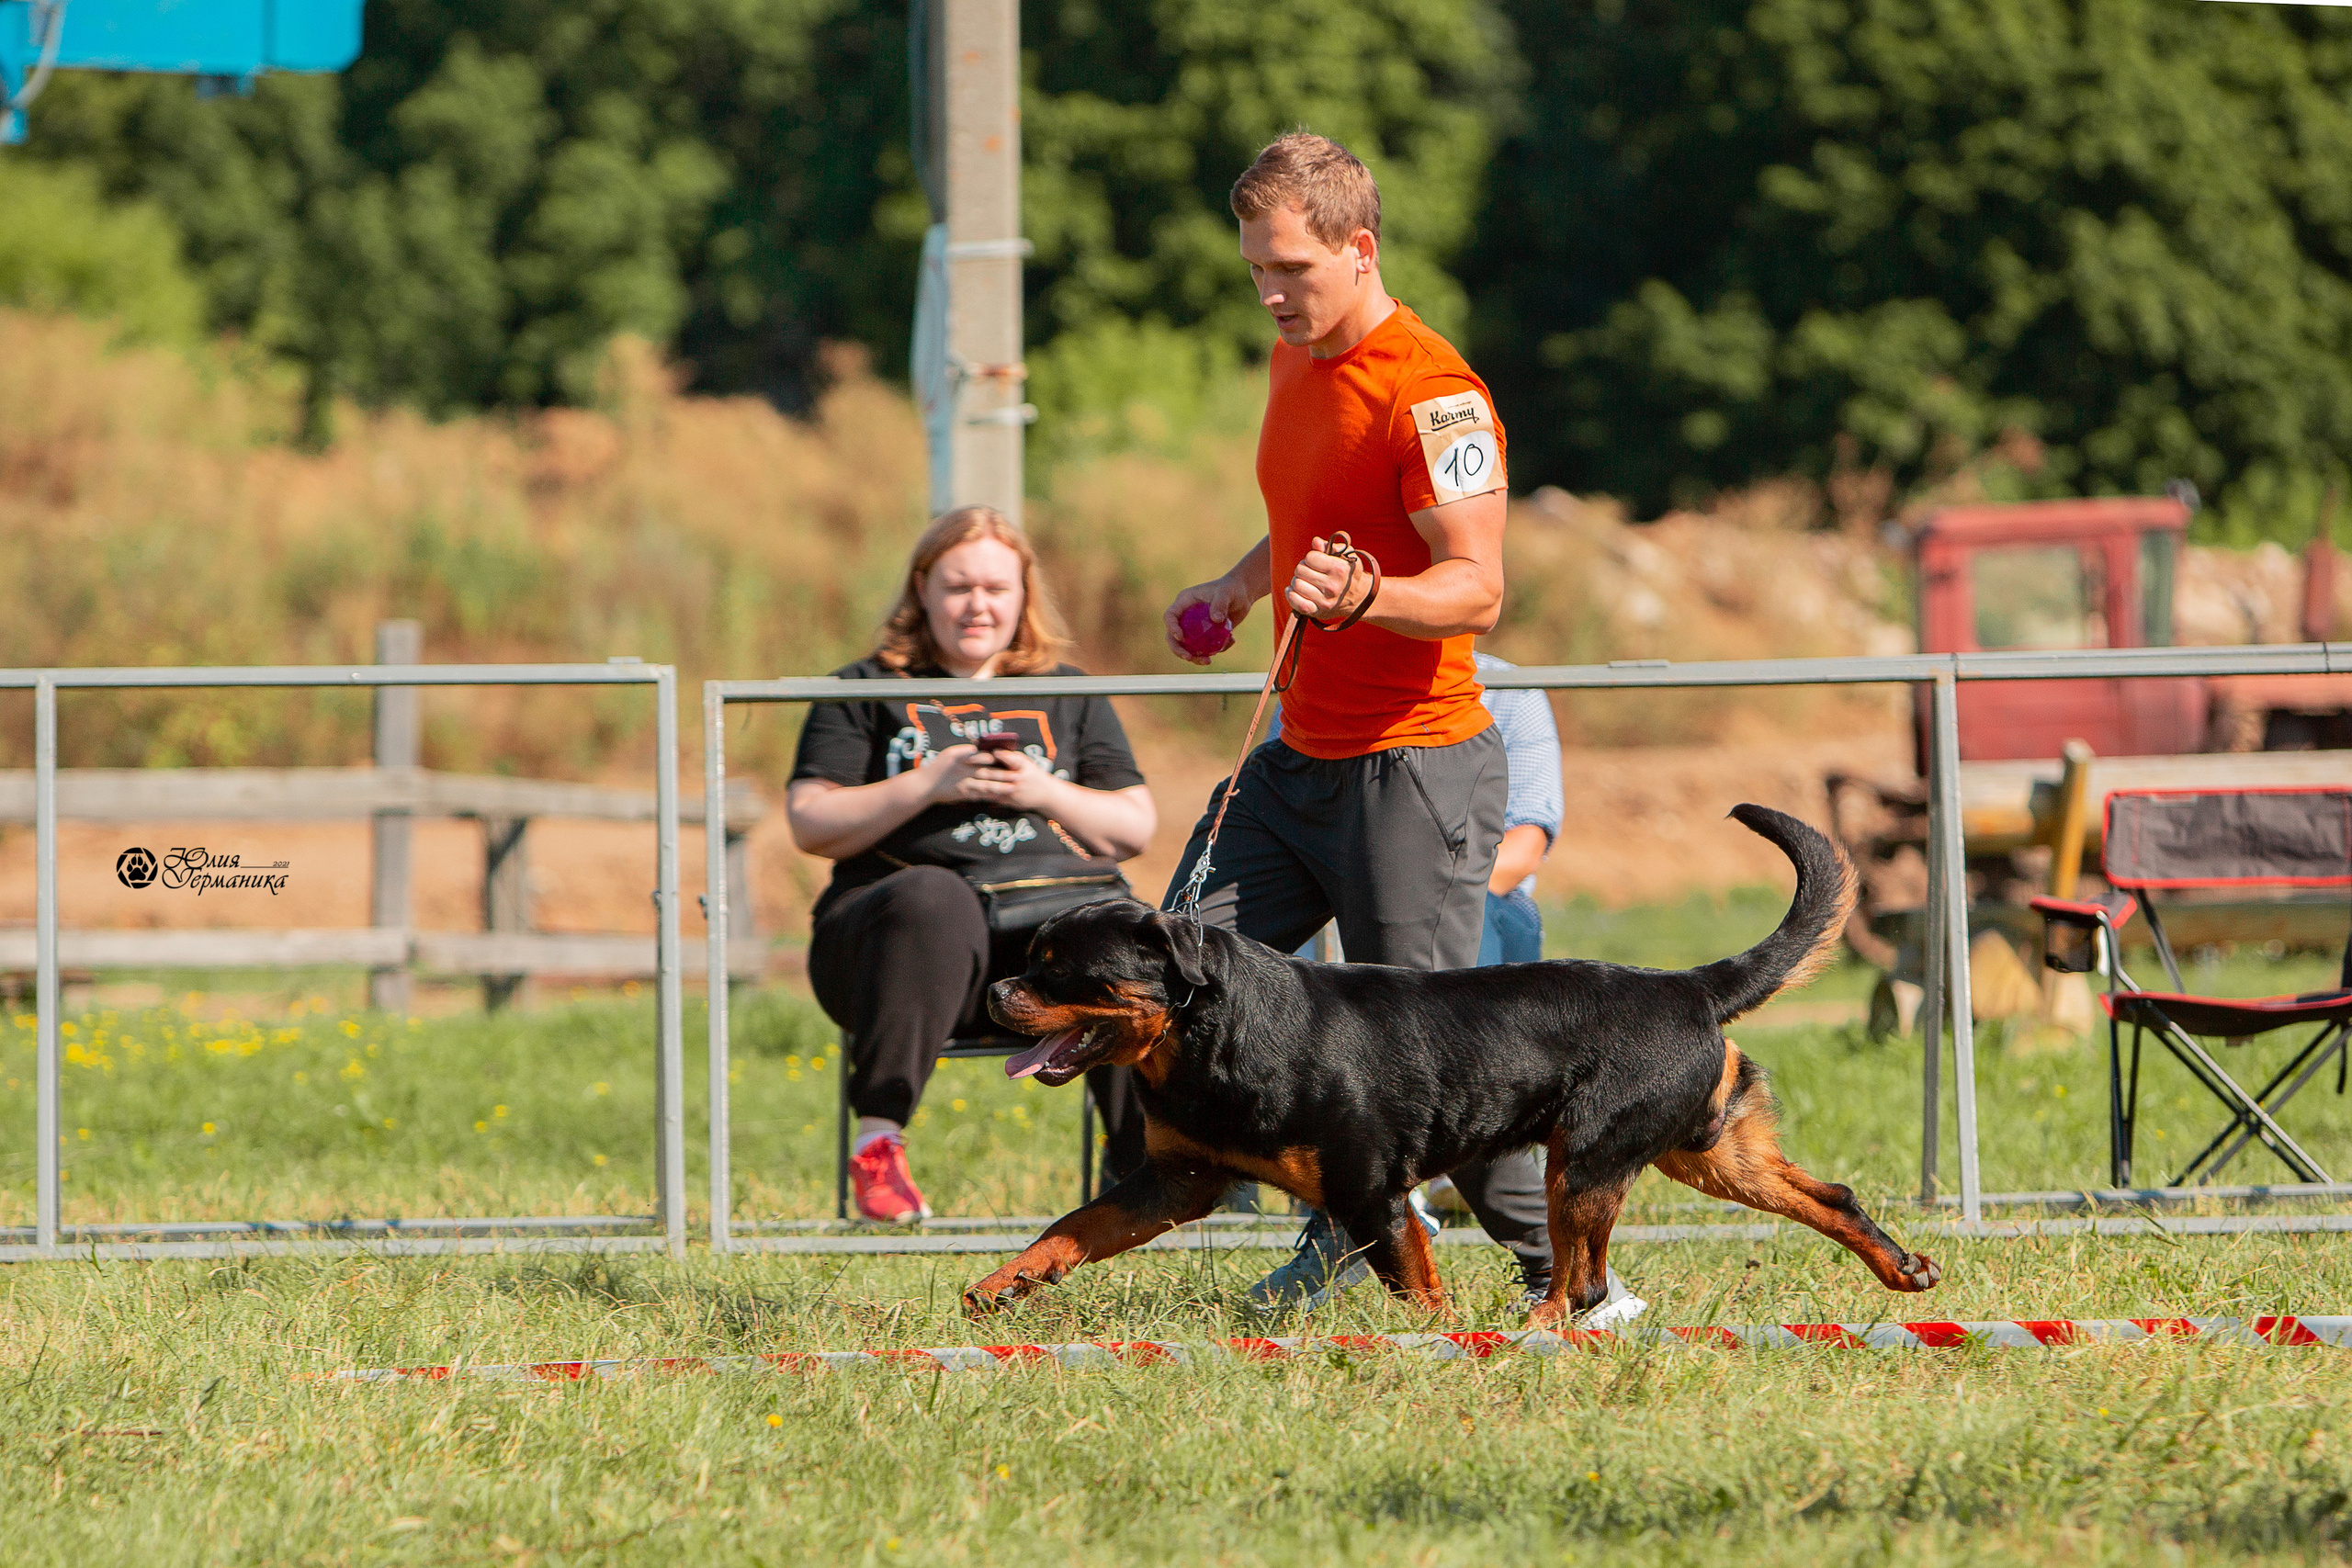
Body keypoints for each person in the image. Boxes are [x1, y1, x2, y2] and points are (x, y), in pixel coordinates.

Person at [1159, 130, 1555, 1311]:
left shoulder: (1436, 393)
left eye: (1291, 269)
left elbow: (1477, 587)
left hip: (1416, 768)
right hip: (1295, 765)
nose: (1271, 294)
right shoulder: (1297, 362)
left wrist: (1370, 596)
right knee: (1167, 965)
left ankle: (1573, 1281)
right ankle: (1313, 1207)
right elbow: (1310, 523)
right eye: (1255, 272)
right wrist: (1242, 586)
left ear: (1358, 247)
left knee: (1426, 1069)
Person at [787, 505, 1157, 1223]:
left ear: (1024, 595)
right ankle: (879, 1148)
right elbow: (810, 821)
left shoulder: (1068, 689)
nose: (978, 604)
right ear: (922, 588)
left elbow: (1133, 824)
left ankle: (1153, 1163)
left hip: (1036, 951)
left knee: (1113, 928)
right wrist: (929, 781)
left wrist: (1041, 789)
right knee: (936, 895)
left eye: (996, 587)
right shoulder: (864, 688)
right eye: (958, 586)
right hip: (895, 948)